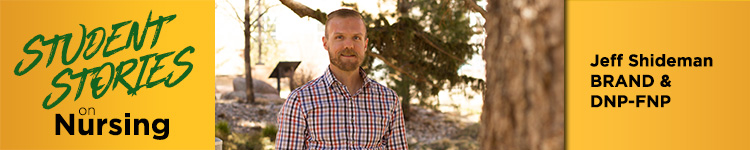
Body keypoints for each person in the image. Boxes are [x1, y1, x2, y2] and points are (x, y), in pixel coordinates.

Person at [275, 8, 408, 149]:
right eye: (339, 37)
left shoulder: (388, 100)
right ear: (325, 43)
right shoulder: (300, 101)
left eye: (356, 37)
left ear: (365, 44)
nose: (349, 45)